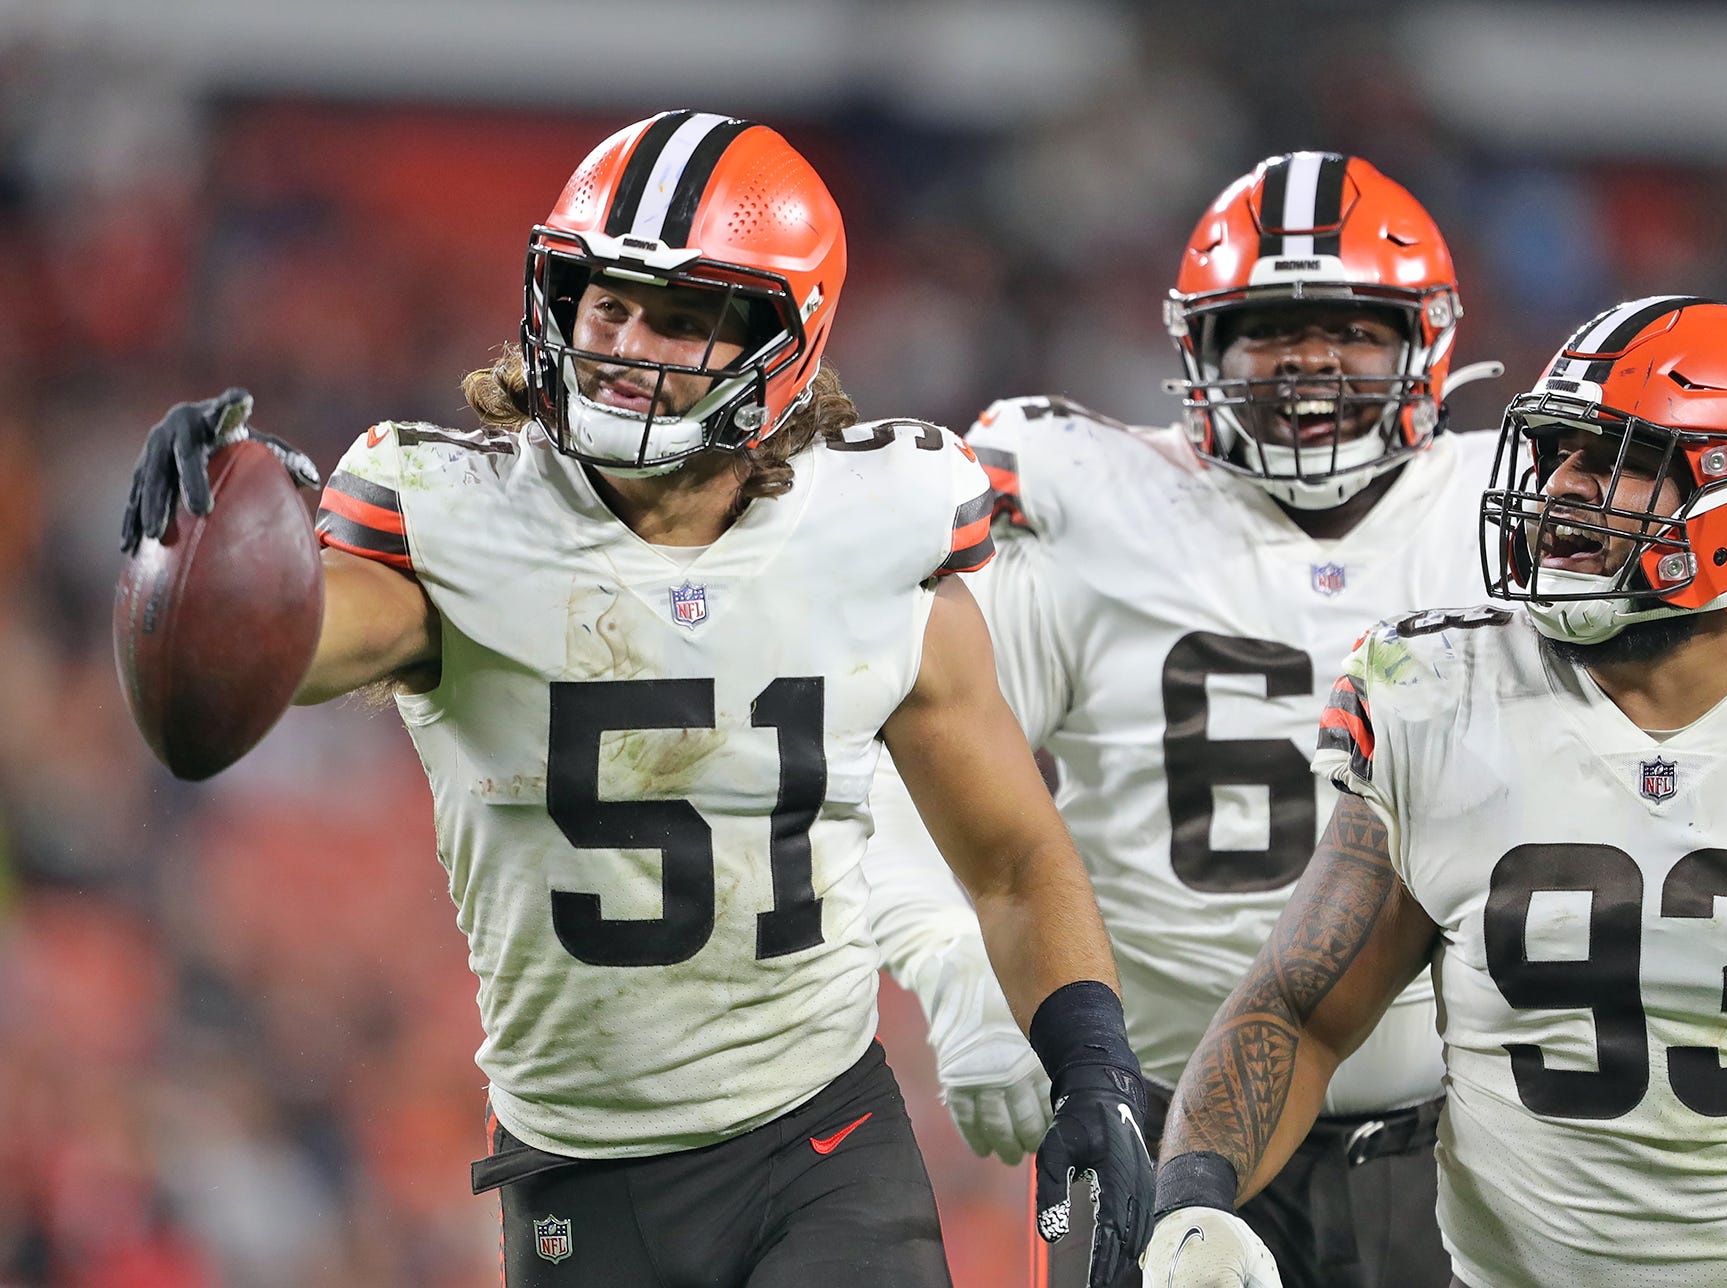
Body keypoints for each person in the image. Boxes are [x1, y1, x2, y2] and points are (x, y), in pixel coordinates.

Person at [118, 111, 1155, 1288]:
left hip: (820, 1139)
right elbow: (268, 655)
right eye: (605, 300)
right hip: (579, 1170)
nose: (623, 341)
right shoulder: (460, 526)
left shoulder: (875, 529)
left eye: (679, 315)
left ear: (784, 338)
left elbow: (1013, 856)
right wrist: (215, 539)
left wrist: (1094, 1071)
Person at [1142, 295, 1727, 1288]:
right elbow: (1297, 1011)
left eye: (1612, 462)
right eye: (1553, 456)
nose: (1557, 491)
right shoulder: (1437, 696)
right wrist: (1192, 1200)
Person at [864, 151, 1501, 1288]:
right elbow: (909, 747)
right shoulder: (1089, 503)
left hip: (1457, 1137)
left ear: (1425, 339)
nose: (1310, 361)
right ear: (1198, 347)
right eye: (1266, 328)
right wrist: (958, 961)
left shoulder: (1504, 518)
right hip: (1150, 1120)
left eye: (1353, 325)